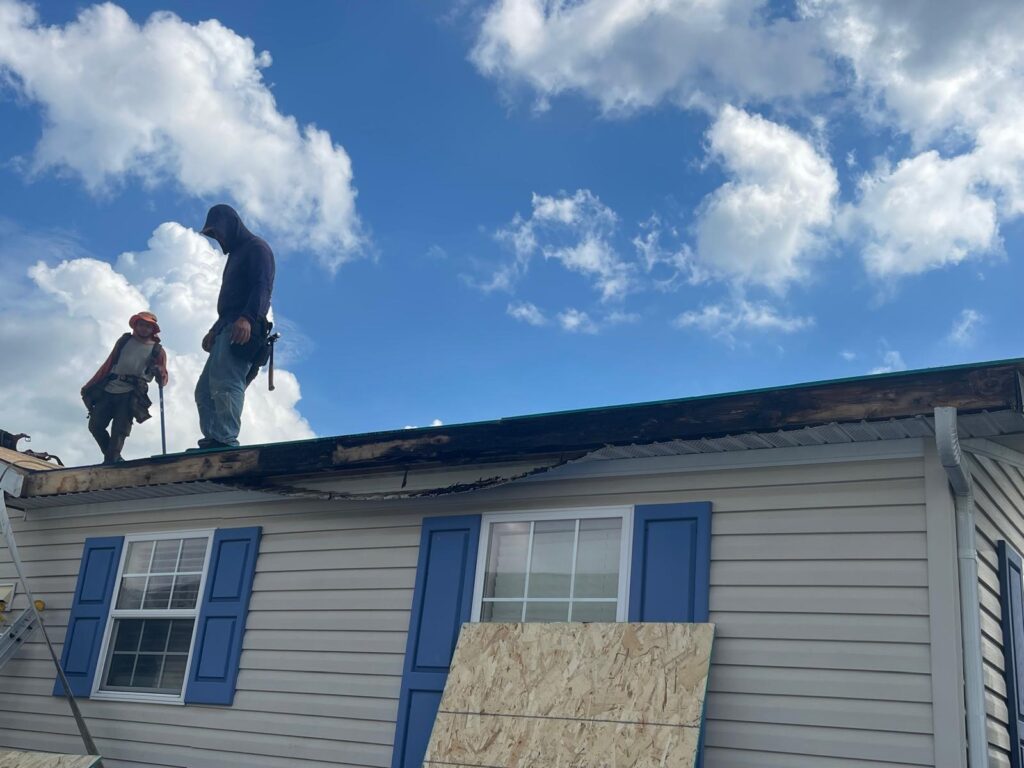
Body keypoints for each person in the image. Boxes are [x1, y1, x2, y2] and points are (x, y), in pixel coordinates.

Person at [194, 204, 275, 449]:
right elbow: (229, 303)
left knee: (226, 384)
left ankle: (226, 439)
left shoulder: (257, 248)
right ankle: (213, 438)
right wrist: (215, 329)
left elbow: (262, 287)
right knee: (205, 391)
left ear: (230, 225)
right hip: (227, 326)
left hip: (241, 327)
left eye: (217, 232)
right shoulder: (236, 255)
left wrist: (248, 318)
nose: (217, 238)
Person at [81, 312, 168, 464]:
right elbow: (108, 364)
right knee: (95, 425)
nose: (144, 329)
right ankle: (112, 457)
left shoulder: (157, 350)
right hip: (110, 387)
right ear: (136, 325)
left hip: (132, 392)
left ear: (153, 329)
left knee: (120, 430)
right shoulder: (124, 341)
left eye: (148, 326)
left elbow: (163, 377)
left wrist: (159, 372)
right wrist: (90, 385)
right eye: (141, 325)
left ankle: (112, 459)